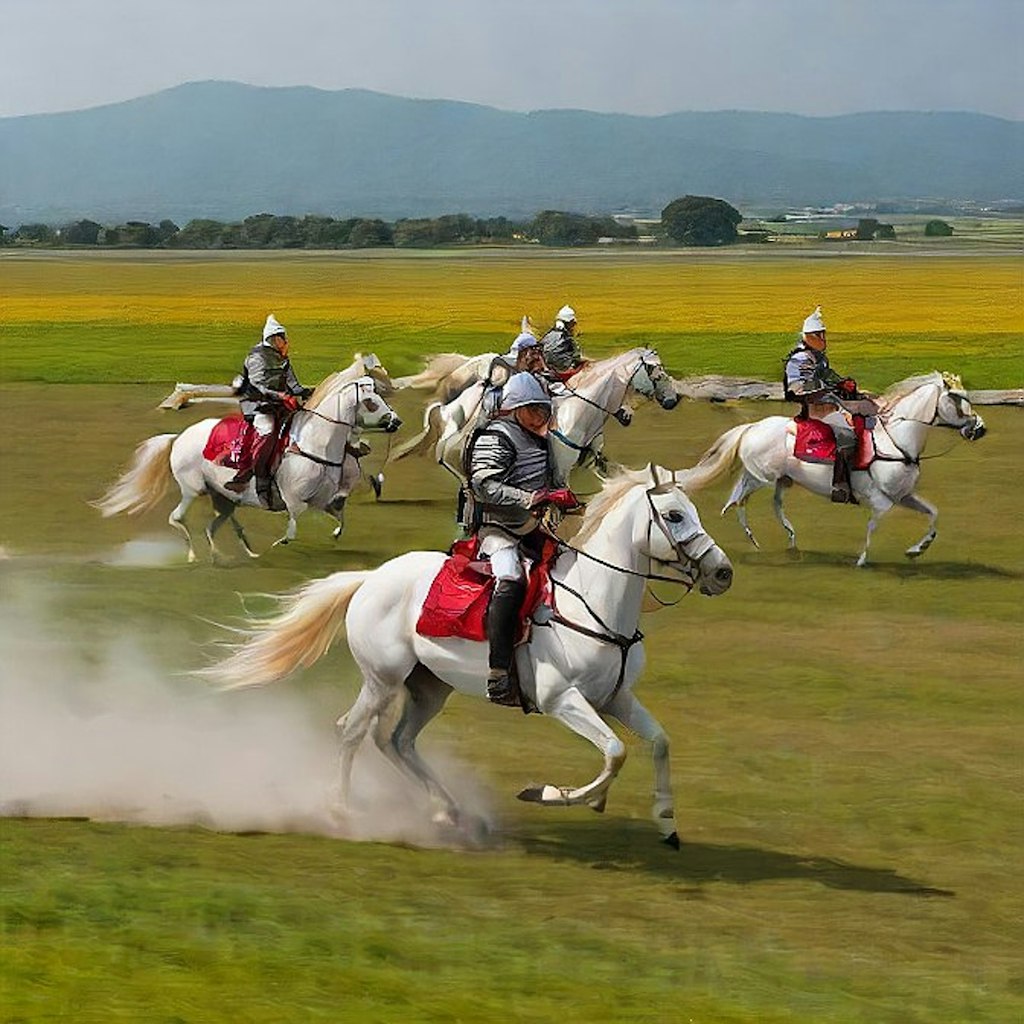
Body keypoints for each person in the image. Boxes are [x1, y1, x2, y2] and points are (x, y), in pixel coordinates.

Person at [467, 372, 580, 706]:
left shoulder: (543, 440)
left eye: (543, 410)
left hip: (533, 528)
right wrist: (530, 498)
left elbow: (550, 481)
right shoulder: (496, 436)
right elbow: (482, 484)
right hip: (497, 529)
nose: (540, 417)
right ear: (515, 408)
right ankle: (498, 672)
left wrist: (564, 498)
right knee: (512, 579)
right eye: (534, 410)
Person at [783, 306, 873, 503]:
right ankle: (840, 486)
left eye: (823, 334)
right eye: (819, 335)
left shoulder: (818, 357)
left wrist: (843, 383)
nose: (823, 339)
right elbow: (798, 389)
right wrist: (832, 392)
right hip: (817, 410)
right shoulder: (799, 360)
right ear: (808, 336)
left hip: (830, 403)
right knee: (847, 435)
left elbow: (829, 376)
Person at [226, 314, 314, 505]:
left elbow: (293, 384)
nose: (286, 341)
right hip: (259, 406)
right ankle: (261, 480)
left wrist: (309, 392)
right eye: (283, 337)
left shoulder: (282, 357)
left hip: (279, 404)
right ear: (274, 338)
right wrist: (279, 396)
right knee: (268, 433)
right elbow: (258, 385)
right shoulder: (257, 357)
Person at [539, 304, 583, 375]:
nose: (573, 325)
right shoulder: (567, 337)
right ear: (568, 322)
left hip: (547, 367)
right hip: (564, 368)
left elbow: (541, 348)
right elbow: (577, 356)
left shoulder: (549, 334)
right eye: (572, 323)